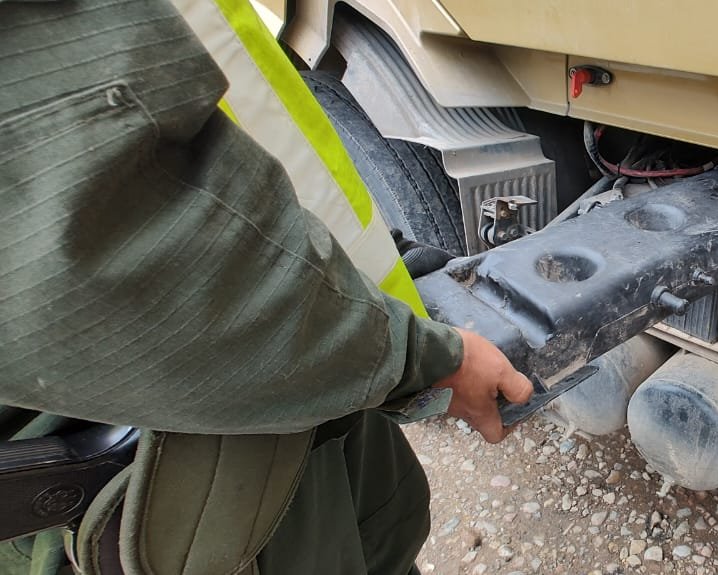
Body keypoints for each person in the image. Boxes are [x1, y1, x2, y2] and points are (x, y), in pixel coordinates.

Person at [0, 1, 531, 573]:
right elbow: (118, 263)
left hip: (262, 415)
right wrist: (421, 357)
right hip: (171, 471)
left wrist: (381, 273)